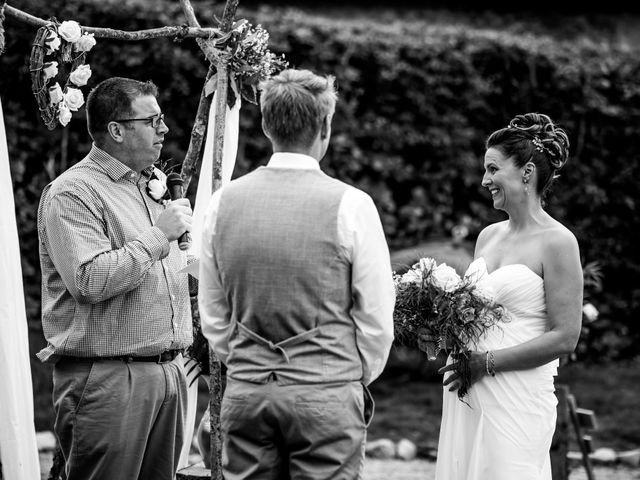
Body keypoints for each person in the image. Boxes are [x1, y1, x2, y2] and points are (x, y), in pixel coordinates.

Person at [198, 68, 395, 479]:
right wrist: (350, 375)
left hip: (248, 394)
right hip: (324, 395)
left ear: (267, 125)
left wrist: (245, 362)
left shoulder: (222, 203)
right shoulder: (352, 205)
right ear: (325, 127)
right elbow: (376, 319)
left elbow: (213, 312)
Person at [37, 77, 194, 480]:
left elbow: (155, 272)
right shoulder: (73, 192)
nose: (165, 129)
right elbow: (89, 280)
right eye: (153, 120)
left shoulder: (149, 187)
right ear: (117, 129)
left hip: (169, 372)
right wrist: (160, 235)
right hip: (108, 379)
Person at [435, 112, 584, 480]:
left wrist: (485, 363)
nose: (485, 180)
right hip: (466, 391)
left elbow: (566, 336)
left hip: (516, 396)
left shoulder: (558, 242)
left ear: (527, 172)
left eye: (493, 169)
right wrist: (438, 326)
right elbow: (471, 310)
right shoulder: (487, 236)